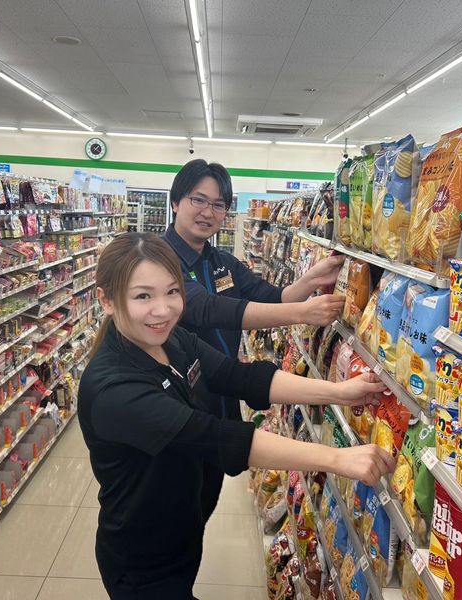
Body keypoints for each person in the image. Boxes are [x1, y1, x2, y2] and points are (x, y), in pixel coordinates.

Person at [78, 233, 395, 600]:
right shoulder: (113, 389)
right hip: (141, 554)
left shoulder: (172, 341)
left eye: (172, 291)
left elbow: (240, 377)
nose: (163, 310)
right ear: (107, 300)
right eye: (143, 296)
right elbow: (215, 436)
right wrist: (337, 458)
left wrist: (339, 392)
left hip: (181, 524)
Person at [163, 159, 347, 523]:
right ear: (175, 202)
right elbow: (205, 309)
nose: (208, 212)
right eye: (198, 200)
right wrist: (302, 313)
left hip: (222, 394)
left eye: (218, 204)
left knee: (203, 503)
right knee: (175, 507)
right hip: (179, 401)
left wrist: (313, 278)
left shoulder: (221, 262)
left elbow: (272, 297)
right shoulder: (160, 260)